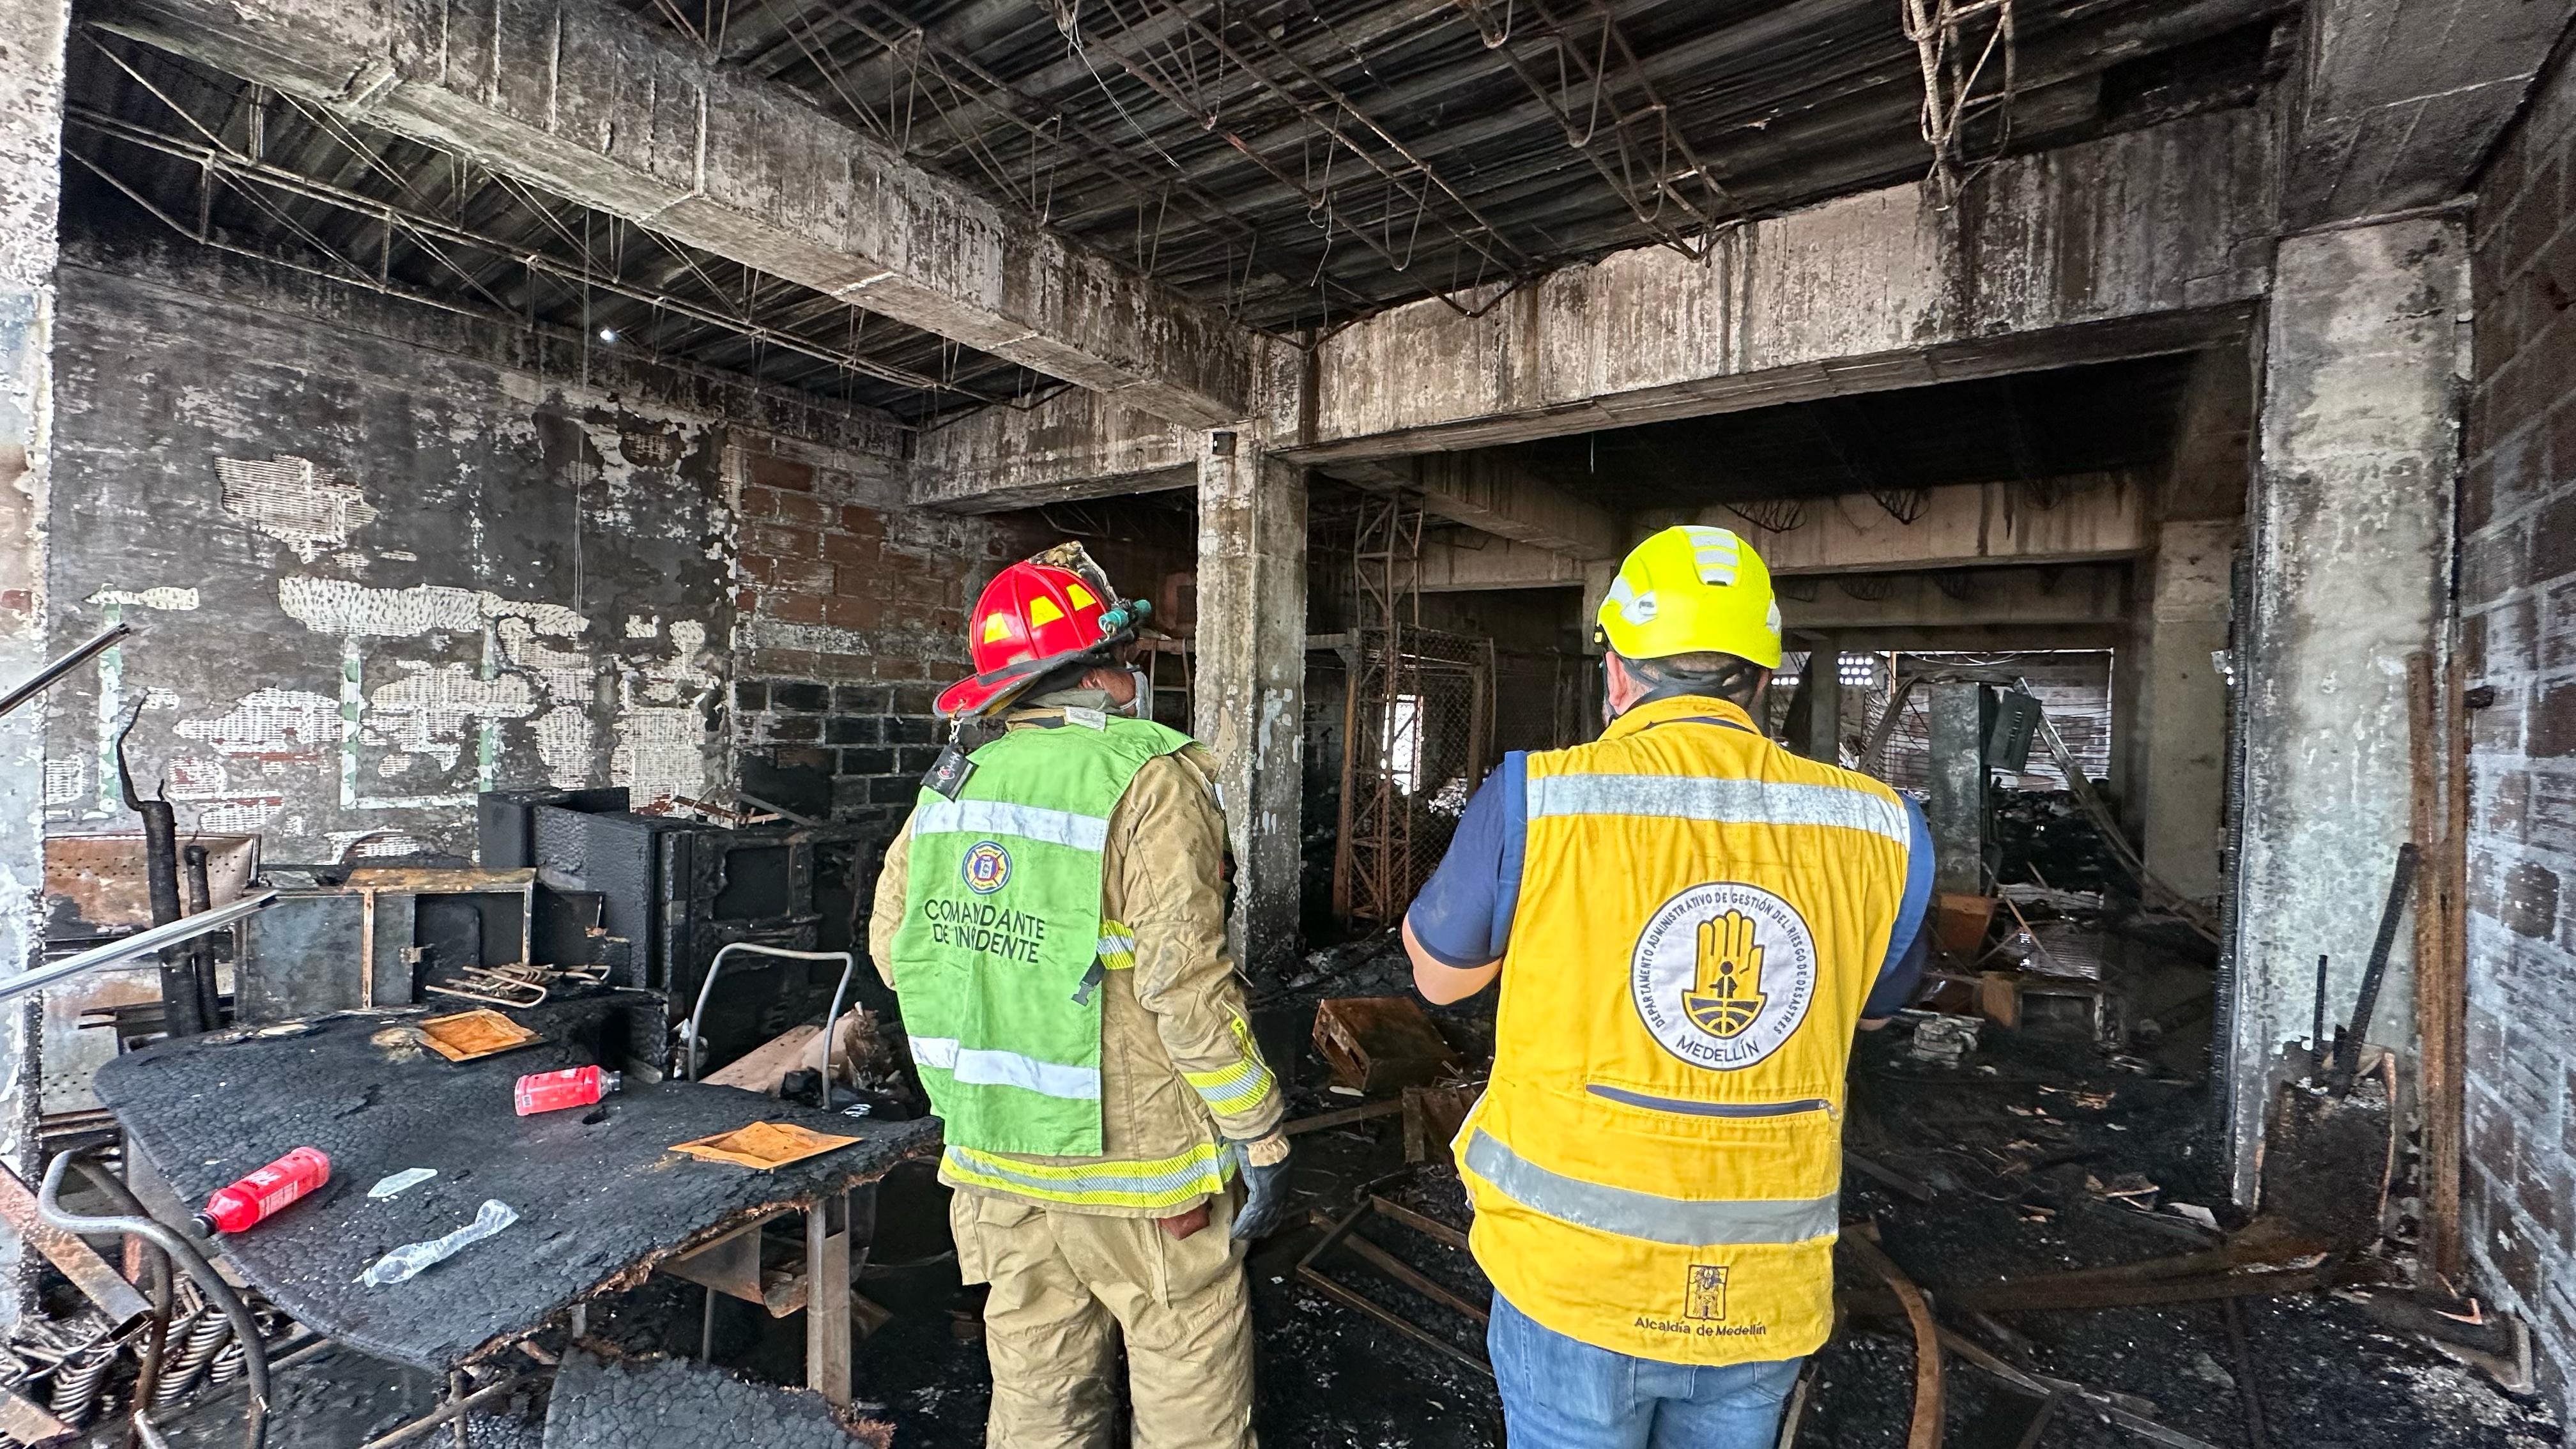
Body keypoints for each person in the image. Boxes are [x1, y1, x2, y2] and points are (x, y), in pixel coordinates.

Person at [1402, 524, 1932, 1448]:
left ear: (1615, 672)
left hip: (1574, 1283)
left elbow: (1440, 980)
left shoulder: (1540, 799)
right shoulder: (1884, 830)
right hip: (1764, 1286)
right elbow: (1876, 1013)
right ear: (1764, 680)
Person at [870, 544, 1292, 1449]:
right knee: (1191, 1400)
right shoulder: (1149, 777)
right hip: (1139, 1170)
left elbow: (897, 948)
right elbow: (1185, 986)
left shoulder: (953, 781)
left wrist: (1013, 1006)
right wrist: (1259, 1127)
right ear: (1098, 668)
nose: (1136, 678)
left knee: (1037, 1402)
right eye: (1129, 658)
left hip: (995, 1159)